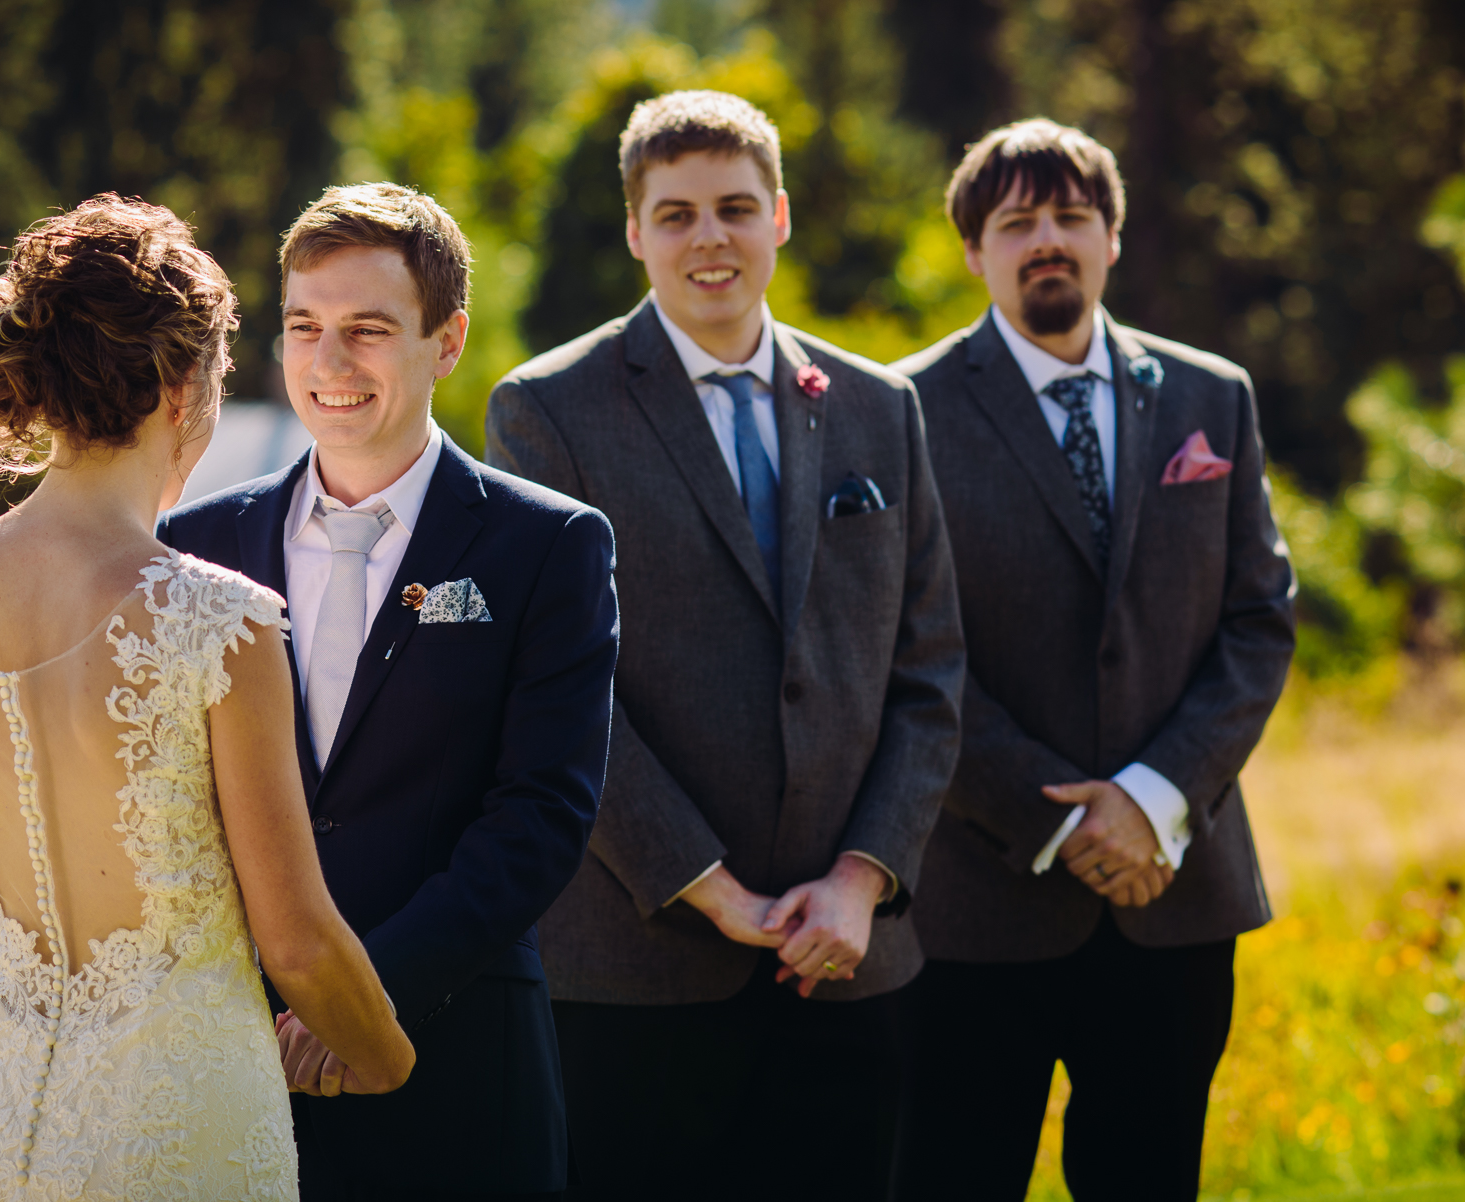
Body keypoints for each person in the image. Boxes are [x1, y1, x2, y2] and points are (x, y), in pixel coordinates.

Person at [0, 195, 415, 1202]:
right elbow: (294, 936)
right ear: (181, 386)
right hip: (184, 1122)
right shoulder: (218, 617)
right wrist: (386, 1057)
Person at [485, 91, 966, 1201]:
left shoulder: (880, 406)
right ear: (634, 230)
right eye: (678, 213)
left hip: (850, 961)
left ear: (781, 217)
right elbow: (560, 690)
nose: (711, 238)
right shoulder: (547, 409)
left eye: (736, 208)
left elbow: (930, 669)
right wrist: (711, 890)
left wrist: (860, 877)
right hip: (636, 968)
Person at [157, 182, 619, 1201]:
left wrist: (358, 993)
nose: (329, 362)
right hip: (236, 1054)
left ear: (446, 342)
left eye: (367, 330)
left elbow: (543, 812)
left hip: (455, 1044)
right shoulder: (195, 542)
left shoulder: (549, 544)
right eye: (305, 326)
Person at [888, 119, 1297, 1201]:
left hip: (1176, 889)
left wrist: (1154, 798)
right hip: (977, 905)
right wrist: (1064, 817)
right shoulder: (897, 414)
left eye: (1072, 215)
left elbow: (1259, 620)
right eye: (1016, 221)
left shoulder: (1215, 398)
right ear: (974, 251)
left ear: (1113, 237)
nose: (1048, 239)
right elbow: (898, 652)